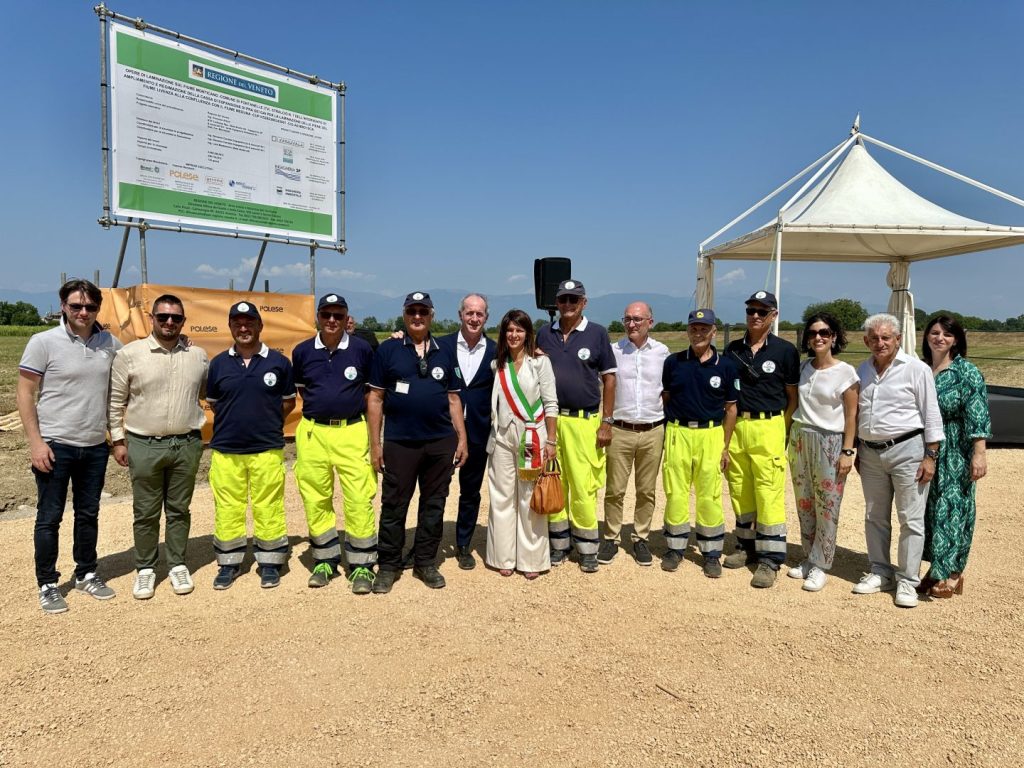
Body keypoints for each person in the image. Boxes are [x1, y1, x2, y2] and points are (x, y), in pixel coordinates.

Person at [17, 279, 121, 614]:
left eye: (90, 306)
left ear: (97, 309)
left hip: (93, 445)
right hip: (55, 445)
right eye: (76, 306)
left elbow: (134, 364)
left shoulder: (109, 343)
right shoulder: (43, 342)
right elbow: (24, 394)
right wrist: (36, 442)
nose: (83, 312)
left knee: (88, 514)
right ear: (63, 305)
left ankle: (86, 573)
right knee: (49, 517)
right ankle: (47, 583)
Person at [367, 291, 468, 593]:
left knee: (434, 505)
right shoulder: (388, 350)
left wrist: (462, 438)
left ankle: (425, 561)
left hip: (439, 442)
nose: (417, 317)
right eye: (412, 311)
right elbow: (375, 398)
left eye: (423, 311)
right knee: (394, 505)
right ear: (404, 314)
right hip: (400, 442)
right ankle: (388, 565)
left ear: (431, 316)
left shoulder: (445, 352)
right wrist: (375, 444)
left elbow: (453, 399)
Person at [109, 294, 208, 600]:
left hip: (186, 443)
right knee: (146, 512)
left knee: (179, 510)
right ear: (151, 318)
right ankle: (146, 569)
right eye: (163, 317)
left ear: (183, 322)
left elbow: (205, 393)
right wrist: (118, 440)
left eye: (176, 318)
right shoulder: (130, 354)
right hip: (143, 444)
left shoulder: (198, 356)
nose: (169, 322)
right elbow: (115, 402)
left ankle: (177, 563)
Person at [853, 313, 943, 609]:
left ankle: (907, 580)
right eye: (874, 338)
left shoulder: (916, 369)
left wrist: (930, 455)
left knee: (911, 518)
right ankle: (880, 570)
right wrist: (856, 448)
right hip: (870, 453)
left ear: (897, 339)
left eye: (886, 338)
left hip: (908, 450)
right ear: (866, 341)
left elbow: (931, 413)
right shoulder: (862, 370)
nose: (880, 343)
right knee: (874, 516)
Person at [206, 301, 297, 590]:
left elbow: (288, 403)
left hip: (266, 448)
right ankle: (229, 563)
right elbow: (215, 405)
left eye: (249, 323)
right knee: (228, 508)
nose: (243, 328)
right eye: (237, 323)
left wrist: (262, 422)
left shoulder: (279, 363)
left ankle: (270, 563)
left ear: (260, 325)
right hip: (226, 450)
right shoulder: (218, 363)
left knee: (268, 506)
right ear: (230, 326)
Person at [292, 293, 377, 594]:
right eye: (326, 315)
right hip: (314, 432)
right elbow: (303, 391)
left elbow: (369, 393)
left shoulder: (362, 349)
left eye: (338, 315)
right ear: (318, 316)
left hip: (352, 431)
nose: (332, 321)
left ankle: (362, 565)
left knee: (358, 497)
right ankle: (324, 560)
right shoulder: (302, 352)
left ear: (346, 318)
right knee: (316, 498)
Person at [536, 279, 616, 573]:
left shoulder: (596, 333)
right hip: (552, 422)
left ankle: (587, 549)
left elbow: (609, 378)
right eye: (563, 300)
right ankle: (558, 545)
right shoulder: (545, 333)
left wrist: (606, 421)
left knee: (583, 488)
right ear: (556, 304)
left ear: (584, 302)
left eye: (574, 300)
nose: (568, 305)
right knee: (555, 482)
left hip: (585, 422)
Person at [724, 291, 800, 588]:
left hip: (769, 425)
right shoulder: (733, 350)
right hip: (738, 426)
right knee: (740, 489)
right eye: (751, 311)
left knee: (768, 492)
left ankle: (771, 558)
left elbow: (792, 398)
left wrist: (782, 429)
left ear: (773, 315)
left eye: (762, 311)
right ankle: (746, 546)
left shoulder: (784, 351)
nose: (755, 316)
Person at [660, 309, 738, 578]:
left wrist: (725, 445)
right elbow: (666, 398)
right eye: (694, 328)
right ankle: (675, 548)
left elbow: (731, 409)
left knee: (710, 494)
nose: (698, 333)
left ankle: (711, 552)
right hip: (679, 431)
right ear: (688, 331)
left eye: (704, 329)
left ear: (714, 332)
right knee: (676, 491)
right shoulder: (674, 362)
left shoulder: (726, 366)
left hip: (710, 434)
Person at [785, 312, 859, 593]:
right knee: (804, 503)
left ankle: (822, 563)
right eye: (813, 333)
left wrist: (848, 450)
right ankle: (809, 555)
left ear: (834, 337)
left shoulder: (846, 373)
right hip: (800, 438)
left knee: (827, 504)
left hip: (830, 441)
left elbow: (852, 415)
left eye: (824, 332)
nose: (818, 337)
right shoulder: (803, 368)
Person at [919, 315, 990, 599]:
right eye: (934, 332)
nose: (940, 338)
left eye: (947, 334)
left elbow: (978, 414)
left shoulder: (966, 371)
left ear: (956, 339)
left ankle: (952, 572)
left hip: (955, 448)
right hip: (924, 447)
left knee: (953, 508)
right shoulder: (922, 369)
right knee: (929, 509)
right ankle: (937, 567)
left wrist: (979, 453)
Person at [486, 310, 559, 578]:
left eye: (519, 330)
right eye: (509, 330)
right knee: (502, 496)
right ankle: (503, 556)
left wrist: (551, 439)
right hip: (503, 436)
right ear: (503, 334)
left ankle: (531, 559)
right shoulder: (498, 365)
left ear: (528, 333)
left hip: (533, 435)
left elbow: (551, 403)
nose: (514, 335)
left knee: (530, 497)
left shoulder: (540, 363)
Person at [600, 301, 668, 566]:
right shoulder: (613, 351)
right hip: (620, 429)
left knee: (646, 490)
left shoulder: (662, 353)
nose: (632, 324)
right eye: (627, 319)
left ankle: (641, 538)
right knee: (614, 489)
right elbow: (602, 385)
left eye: (638, 319)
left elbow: (667, 391)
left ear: (650, 322)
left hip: (653, 429)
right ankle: (611, 537)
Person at [437, 294, 496, 570]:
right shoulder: (441, 346)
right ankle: (428, 544)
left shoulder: (497, 351)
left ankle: (463, 544)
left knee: (471, 491)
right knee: (435, 490)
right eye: (469, 313)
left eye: (479, 314)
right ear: (460, 314)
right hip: (443, 432)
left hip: (479, 433)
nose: (474, 318)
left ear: (486, 318)